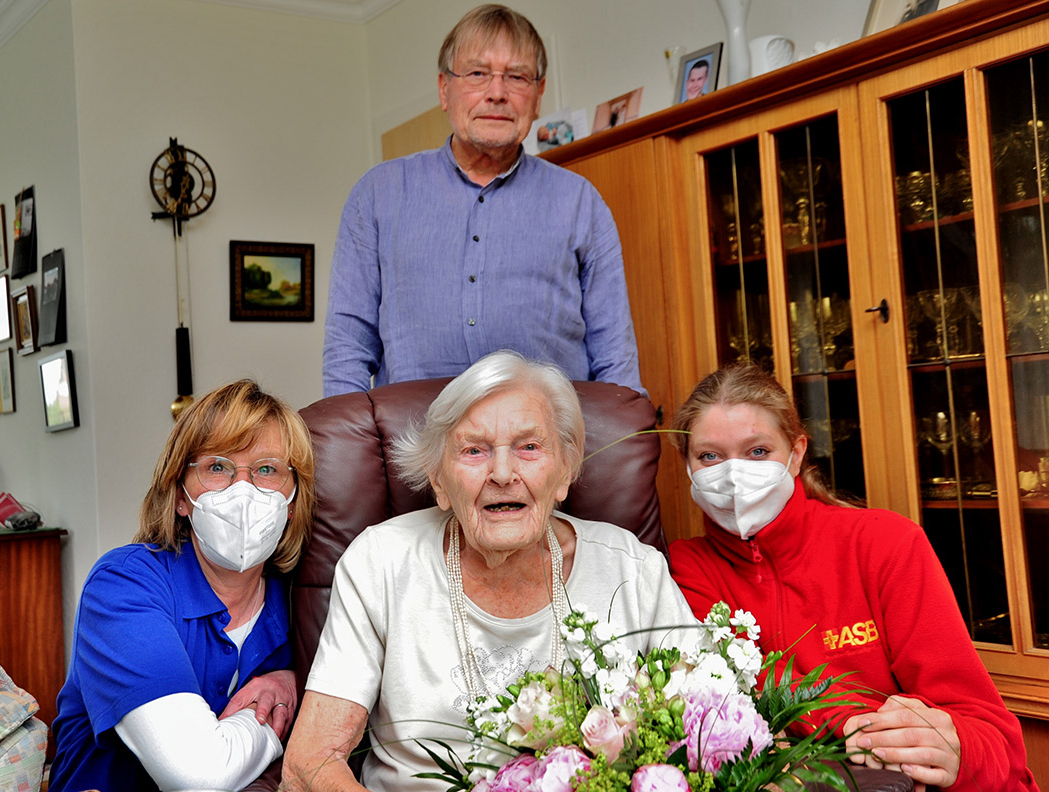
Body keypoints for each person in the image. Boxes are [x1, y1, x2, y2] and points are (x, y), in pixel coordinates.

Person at [284, 351, 694, 792]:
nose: (502, 473)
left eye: (529, 447)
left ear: (566, 471)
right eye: (474, 450)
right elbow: (311, 760)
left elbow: (710, 727)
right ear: (438, 480)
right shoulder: (380, 562)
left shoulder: (633, 569)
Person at [667, 364, 1037, 792]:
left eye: (757, 452)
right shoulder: (683, 568)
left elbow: (996, 742)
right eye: (710, 456)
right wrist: (859, 729)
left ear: (797, 453)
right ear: (689, 467)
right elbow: (745, 712)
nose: (733, 476)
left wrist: (957, 750)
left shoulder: (886, 543)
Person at [321, 4, 643, 398]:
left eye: (517, 77)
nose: (497, 93)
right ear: (444, 89)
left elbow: (616, 359)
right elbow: (348, 349)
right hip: (413, 450)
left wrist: (621, 446)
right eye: (477, 74)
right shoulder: (376, 195)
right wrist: (350, 451)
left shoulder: (582, 204)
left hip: (549, 450)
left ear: (538, 95)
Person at [48, 379, 315, 792]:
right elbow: (198, 774)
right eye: (217, 467)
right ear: (180, 496)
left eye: (267, 470)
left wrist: (294, 679)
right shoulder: (122, 586)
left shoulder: (304, 597)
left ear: (293, 500)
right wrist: (278, 712)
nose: (243, 491)